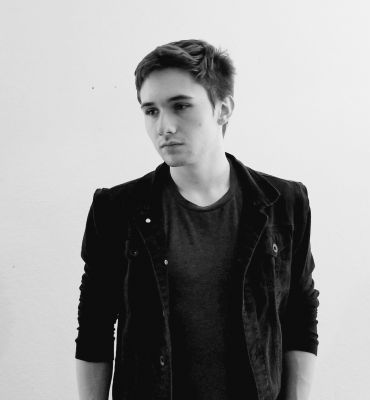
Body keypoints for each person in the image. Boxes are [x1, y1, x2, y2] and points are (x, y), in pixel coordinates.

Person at [75, 39, 320, 400]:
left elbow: (300, 314)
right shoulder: (116, 209)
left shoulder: (284, 203)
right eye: (151, 111)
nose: (165, 126)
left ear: (224, 109)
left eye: (180, 106)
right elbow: (94, 326)